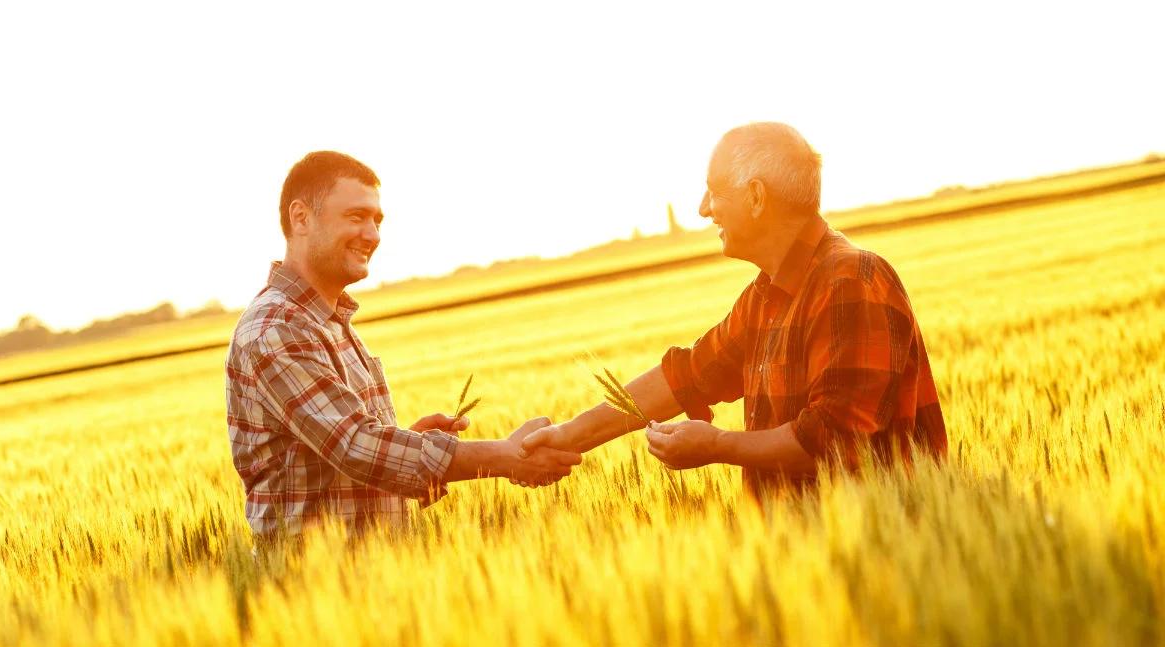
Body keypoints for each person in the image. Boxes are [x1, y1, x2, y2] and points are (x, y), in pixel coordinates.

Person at [522, 123, 946, 498]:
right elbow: (688, 375)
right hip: (805, 562)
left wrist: (717, 445)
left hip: (872, 557)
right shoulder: (766, 296)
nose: (703, 208)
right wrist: (568, 436)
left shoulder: (852, 281)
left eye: (714, 191)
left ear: (756, 195)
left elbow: (834, 440)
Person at [226, 150, 581, 540]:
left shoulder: (327, 322)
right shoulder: (277, 327)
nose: (373, 236)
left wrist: (409, 440)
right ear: (301, 217)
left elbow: (348, 458)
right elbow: (356, 445)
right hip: (316, 586)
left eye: (377, 221)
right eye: (356, 217)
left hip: (370, 580)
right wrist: (504, 457)